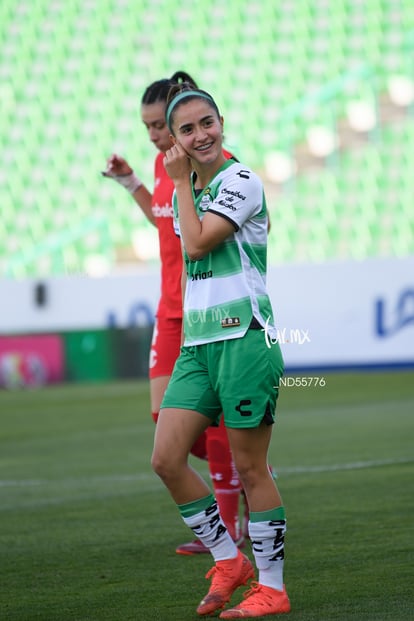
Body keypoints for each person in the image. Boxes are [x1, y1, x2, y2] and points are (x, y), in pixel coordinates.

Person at [151, 85, 291, 618]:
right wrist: (179, 186)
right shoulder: (194, 187)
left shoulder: (240, 181)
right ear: (176, 139)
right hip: (199, 344)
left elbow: (197, 243)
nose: (199, 134)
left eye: (206, 123)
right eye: (187, 129)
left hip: (244, 339)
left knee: (251, 469)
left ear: (221, 121)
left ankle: (273, 588)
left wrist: (179, 184)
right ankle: (229, 561)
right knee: (165, 458)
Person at [102, 71, 246, 554]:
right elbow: (162, 217)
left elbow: (204, 237)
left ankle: (228, 525)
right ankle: (250, 470)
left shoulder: (213, 171)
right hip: (170, 310)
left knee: (218, 424)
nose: (153, 135)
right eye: (147, 128)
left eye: (158, 126)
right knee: (165, 416)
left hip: (207, 310)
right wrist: (132, 183)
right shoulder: (166, 167)